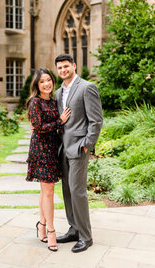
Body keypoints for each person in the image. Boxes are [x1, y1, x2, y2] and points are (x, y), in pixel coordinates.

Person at [55, 54, 103, 253]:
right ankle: (73, 229)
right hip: (63, 148)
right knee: (67, 191)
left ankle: (86, 236)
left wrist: (87, 145)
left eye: (66, 66)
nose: (63, 70)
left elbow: (96, 120)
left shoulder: (86, 87)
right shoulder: (59, 92)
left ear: (74, 66)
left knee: (77, 191)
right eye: (59, 68)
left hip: (78, 148)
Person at [26, 68, 71, 252]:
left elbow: (52, 128)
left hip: (53, 149)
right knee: (49, 191)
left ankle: (41, 226)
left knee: (46, 191)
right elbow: (39, 127)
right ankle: (51, 231)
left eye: (49, 80)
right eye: (42, 81)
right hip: (40, 150)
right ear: (37, 85)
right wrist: (60, 121)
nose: (47, 84)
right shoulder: (34, 102)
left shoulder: (54, 101)